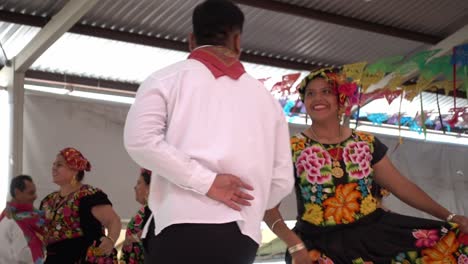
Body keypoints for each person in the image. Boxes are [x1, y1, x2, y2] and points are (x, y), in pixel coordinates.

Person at [123, 0, 294, 263]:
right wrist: (247, 203)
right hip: (241, 237)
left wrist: (207, 182)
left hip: (179, 225)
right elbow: (282, 180)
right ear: (237, 41)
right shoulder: (267, 101)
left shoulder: (165, 80)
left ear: (192, 39)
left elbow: (141, 141)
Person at [263, 68, 468, 263]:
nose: (318, 99)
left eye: (326, 92)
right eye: (310, 94)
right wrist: (294, 245)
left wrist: (450, 216)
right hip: (318, 244)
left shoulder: (366, 143)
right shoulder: (292, 148)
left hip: (375, 237)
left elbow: (403, 187)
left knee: (450, 244)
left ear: (340, 98)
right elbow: (268, 208)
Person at [40, 147, 121, 263]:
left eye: (59, 165)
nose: (53, 168)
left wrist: (110, 240)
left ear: (75, 170)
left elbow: (113, 220)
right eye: (54, 164)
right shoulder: (48, 201)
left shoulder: (89, 196)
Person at [0, 175, 46, 263]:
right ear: (17, 193)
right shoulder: (12, 220)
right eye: (31, 193)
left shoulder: (32, 215)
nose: (35, 196)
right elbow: (23, 256)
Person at [120, 168, 152, 264]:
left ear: (149, 187)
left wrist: (132, 238)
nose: (135, 187)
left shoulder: (154, 210)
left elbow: (152, 233)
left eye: (139, 183)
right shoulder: (147, 209)